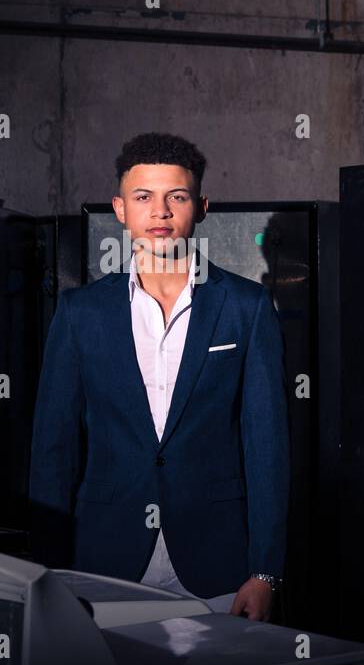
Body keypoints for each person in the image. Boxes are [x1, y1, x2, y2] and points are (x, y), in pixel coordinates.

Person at [28, 133, 289, 620]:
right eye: (143, 197)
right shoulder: (80, 312)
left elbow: (267, 447)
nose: (160, 212)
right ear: (120, 209)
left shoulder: (246, 308)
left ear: (202, 207)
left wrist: (266, 571)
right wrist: (47, 572)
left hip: (218, 564)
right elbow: (52, 450)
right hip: (103, 562)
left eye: (177, 197)